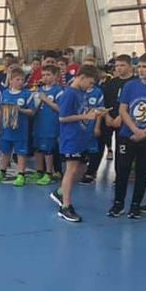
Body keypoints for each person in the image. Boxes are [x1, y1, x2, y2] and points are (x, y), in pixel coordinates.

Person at [50, 65, 106, 222]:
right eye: (90, 83)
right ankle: (65, 206)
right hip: (71, 137)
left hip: (82, 136)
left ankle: (60, 192)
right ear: (81, 78)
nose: (91, 86)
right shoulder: (69, 94)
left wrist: (95, 113)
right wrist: (85, 117)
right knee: (72, 169)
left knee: (81, 169)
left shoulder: (82, 93)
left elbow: (82, 111)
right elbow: (63, 118)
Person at [108, 53, 146, 218]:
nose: (140, 70)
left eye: (145, 67)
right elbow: (123, 109)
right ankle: (118, 203)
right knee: (122, 169)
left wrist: (145, 132)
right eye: (139, 66)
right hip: (127, 135)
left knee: (142, 171)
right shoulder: (130, 86)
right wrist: (134, 129)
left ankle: (135, 205)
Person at [0, 68, 35, 187]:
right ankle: (2, 171)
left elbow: (32, 111)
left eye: (22, 80)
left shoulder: (27, 94)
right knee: (5, 151)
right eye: (18, 79)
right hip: (6, 129)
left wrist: (20, 110)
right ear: (11, 81)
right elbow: (0, 110)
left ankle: (21, 174)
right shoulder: (4, 93)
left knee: (21, 153)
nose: (20, 82)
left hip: (20, 130)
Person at [102, 54, 137, 162]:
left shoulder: (136, 82)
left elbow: (134, 103)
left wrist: (121, 117)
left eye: (122, 65)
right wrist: (107, 116)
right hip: (110, 116)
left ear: (130, 66)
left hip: (126, 119)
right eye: (117, 66)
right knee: (103, 137)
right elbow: (104, 101)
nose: (119, 68)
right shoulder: (111, 83)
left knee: (123, 149)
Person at [32, 65, 63, 185]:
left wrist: (46, 100)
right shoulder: (39, 90)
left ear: (55, 76)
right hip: (38, 123)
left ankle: (49, 173)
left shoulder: (58, 91)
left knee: (48, 149)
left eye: (48, 75)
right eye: (43, 75)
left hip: (50, 125)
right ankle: (39, 171)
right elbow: (35, 108)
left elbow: (60, 109)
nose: (45, 77)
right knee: (38, 148)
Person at [80, 77, 106, 184]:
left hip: (92, 125)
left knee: (93, 149)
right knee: (80, 150)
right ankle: (80, 171)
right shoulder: (77, 91)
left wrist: (97, 127)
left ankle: (90, 172)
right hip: (79, 126)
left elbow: (100, 110)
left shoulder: (97, 92)